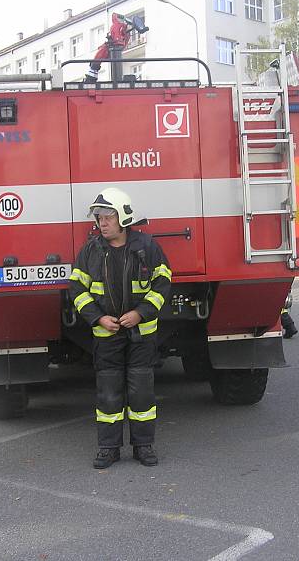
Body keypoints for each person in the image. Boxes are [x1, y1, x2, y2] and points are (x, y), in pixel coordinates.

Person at [68, 187, 171, 469]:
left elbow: (163, 285)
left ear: (123, 217)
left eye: (108, 216)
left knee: (141, 392)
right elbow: (76, 289)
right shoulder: (90, 250)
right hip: (106, 336)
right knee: (108, 393)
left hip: (141, 336)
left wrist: (141, 313)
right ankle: (108, 448)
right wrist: (98, 318)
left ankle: (143, 446)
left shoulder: (147, 247)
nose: (102, 222)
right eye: (99, 216)